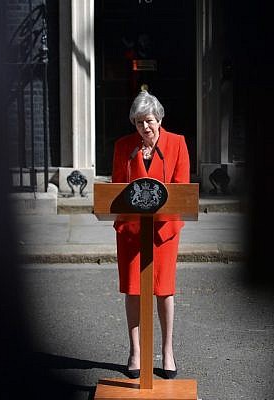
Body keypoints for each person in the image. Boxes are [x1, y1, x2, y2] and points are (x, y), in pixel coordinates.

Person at [111, 90, 190, 380]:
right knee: (133, 290)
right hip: (132, 230)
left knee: (164, 290)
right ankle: (135, 351)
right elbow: (116, 188)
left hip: (164, 231)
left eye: (149, 121)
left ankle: (167, 351)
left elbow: (181, 188)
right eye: (139, 122)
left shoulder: (177, 144)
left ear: (159, 119)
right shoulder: (123, 147)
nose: (145, 127)